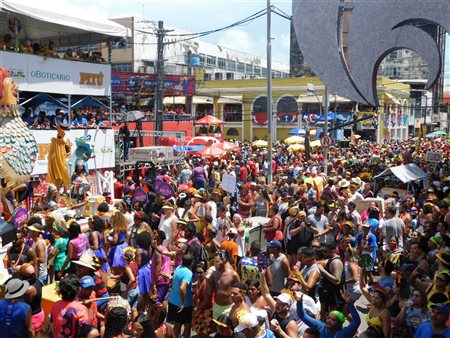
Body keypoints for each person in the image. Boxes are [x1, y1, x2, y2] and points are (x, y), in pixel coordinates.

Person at [296, 290, 361, 338]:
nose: (329, 320)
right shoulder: (321, 326)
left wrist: (349, 303)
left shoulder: (343, 334)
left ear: (339, 324)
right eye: (328, 318)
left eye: (333, 319)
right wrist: (299, 302)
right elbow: (302, 316)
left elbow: (356, 321)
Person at [51, 274, 90, 338]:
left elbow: (52, 325)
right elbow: (86, 332)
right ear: (78, 290)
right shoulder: (82, 309)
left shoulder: (55, 305)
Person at [206, 250, 240, 320]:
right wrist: (207, 279)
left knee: (228, 330)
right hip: (216, 307)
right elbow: (209, 293)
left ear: (224, 261)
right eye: (214, 261)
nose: (215, 264)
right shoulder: (214, 274)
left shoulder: (233, 275)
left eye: (217, 262)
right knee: (217, 329)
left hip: (229, 308)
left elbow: (240, 292)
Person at [167, 253, 195, 338]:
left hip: (173, 301)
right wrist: (182, 303)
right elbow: (182, 288)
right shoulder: (188, 273)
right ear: (192, 263)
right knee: (187, 325)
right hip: (183, 305)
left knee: (177, 324)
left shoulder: (178, 268)